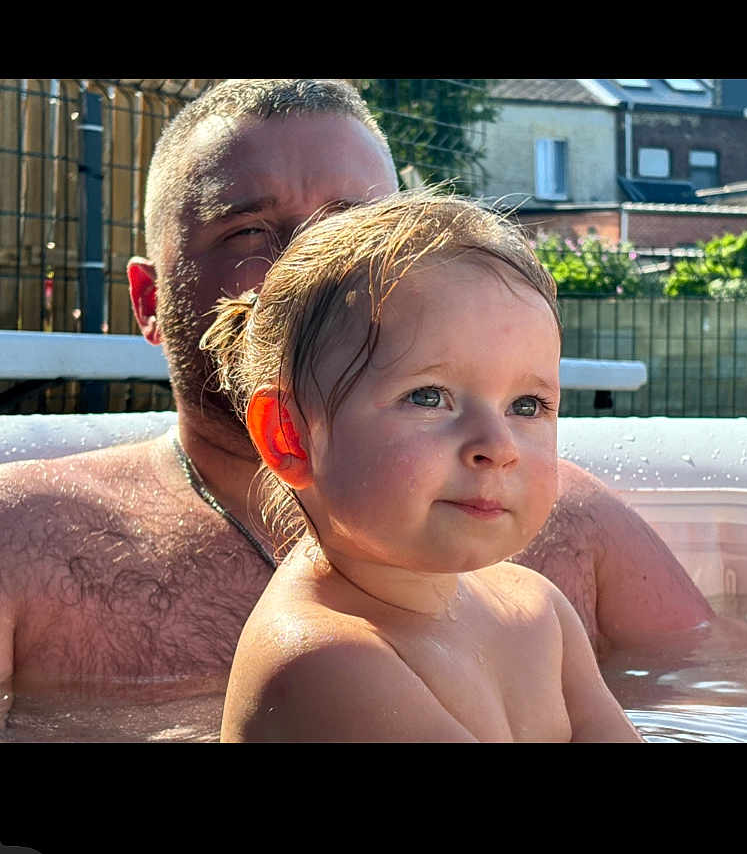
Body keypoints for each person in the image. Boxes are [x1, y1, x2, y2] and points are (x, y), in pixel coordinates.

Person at [0, 79, 711, 739]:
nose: (308, 261)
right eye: (250, 231)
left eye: (357, 230)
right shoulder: (24, 543)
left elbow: (729, 684)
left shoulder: (562, 541)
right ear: (150, 299)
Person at [204, 190, 642, 742]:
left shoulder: (539, 612)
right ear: (288, 434)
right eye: (429, 397)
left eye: (527, 406)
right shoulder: (327, 661)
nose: (497, 446)